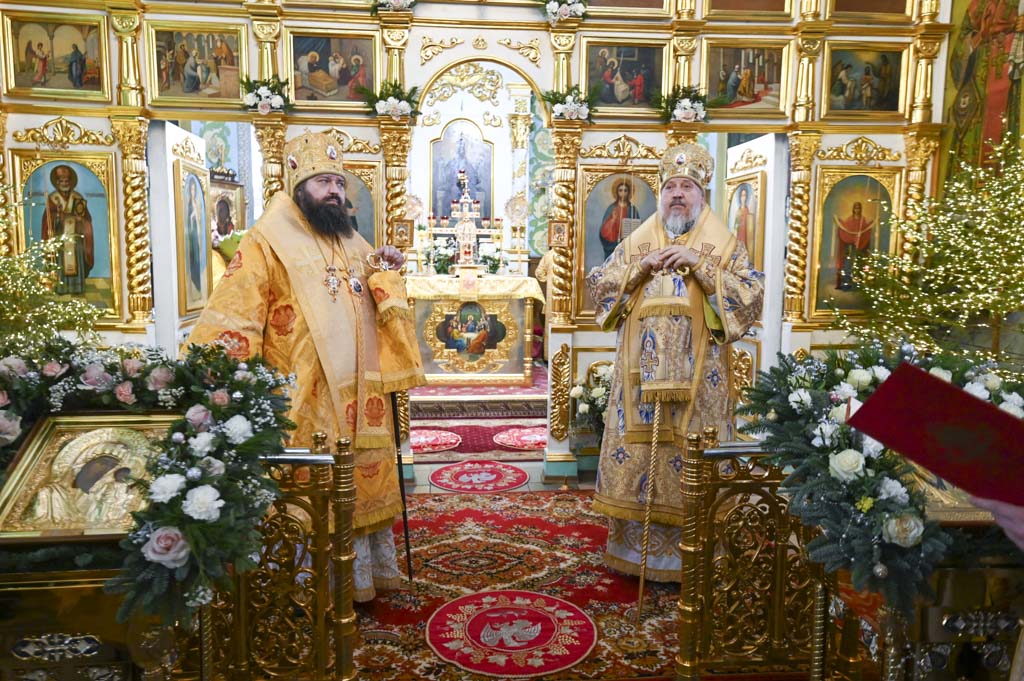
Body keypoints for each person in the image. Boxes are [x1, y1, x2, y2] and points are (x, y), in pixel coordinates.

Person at [187, 130, 424, 602]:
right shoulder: (266, 241)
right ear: (299, 188)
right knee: (308, 493)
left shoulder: (351, 241)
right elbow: (235, 315)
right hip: (300, 400)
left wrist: (386, 271)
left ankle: (356, 582)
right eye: (323, 183)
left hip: (359, 399)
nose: (334, 191)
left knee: (353, 487)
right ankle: (303, 589)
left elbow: (375, 305)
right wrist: (232, 389)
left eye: (339, 182)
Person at [584, 143, 764, 581]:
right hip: (639, 382)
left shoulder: (723, 245)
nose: (678, 194)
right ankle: (635, 554)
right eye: (671, 188)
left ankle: (695, 556)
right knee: (642, 455)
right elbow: (600, 286)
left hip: (702, 381)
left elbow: (750, 295)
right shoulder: (638, 241)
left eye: (687, 187)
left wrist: (701, 265)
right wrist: (640, 267)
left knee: (693, 453)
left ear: (701, 195)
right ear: (661, 195)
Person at [41, 164, 94, 295]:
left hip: (76, 237)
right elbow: (47, 219)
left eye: (67, 181)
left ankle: (77, 287)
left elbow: (87, 218)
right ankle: (61, 288)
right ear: (57, 183)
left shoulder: (77, 197)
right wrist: (57, 216)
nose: (65, 183)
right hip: (60, 236)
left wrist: (81, 220)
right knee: (61, 259)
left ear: (71, 182)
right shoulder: (53, 198)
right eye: (62, 181)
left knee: (77, 257)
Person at [834, 201, 873, 291]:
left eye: (858, 208)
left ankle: (857, 285)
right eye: (856, 208)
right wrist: (850, 235)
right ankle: (846, 284)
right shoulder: (849, 219)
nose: (857, 210)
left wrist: (864, 231)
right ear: (853, 209)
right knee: (848, 264)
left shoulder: (863, 220)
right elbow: (845, 230)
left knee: (858, 264)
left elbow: (865, 231)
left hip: (859, 247)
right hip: (850, 246)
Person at [599, 179, 642, 259]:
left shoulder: (632, 209)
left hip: (628, 245)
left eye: (625, 190)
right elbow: (603, 232)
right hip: (613, 245)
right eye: (620, 190)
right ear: (616, 192)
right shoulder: (612, 208)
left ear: (629, 193)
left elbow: (638, 229)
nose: (623, 193)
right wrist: (612, 220)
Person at [732, 185, 756, 258]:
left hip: (745, 233)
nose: (743, 197)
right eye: (742, 195)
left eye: (745, 195)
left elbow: (749, 224)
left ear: (746, 197)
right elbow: (736, 224)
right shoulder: (738, 210)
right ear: (740, 197)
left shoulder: (747, 210)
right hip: (739, 233)